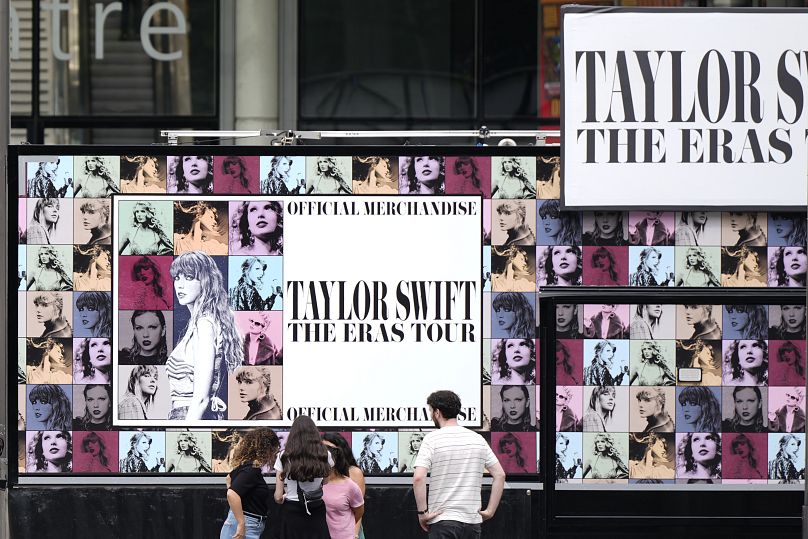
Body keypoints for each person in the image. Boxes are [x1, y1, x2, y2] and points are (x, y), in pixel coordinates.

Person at [413, 390, 505, 535]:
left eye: (431, 411)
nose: (431, 415)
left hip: (442, 521)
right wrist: (490, 511)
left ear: (437, 412)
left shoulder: (432, 439)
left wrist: (422, 513)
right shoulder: (477, 439)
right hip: (472, 523)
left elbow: (419, 477)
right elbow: (500, 475)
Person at [168, 251, 244, 420]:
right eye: (177, 278)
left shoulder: (204, 324)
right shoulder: (199, 322)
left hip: (189, 416)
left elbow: (201, 399)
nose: (180, 285)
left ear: (205, 281)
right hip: (190, 413)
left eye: (188, 277)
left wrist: (187, 430)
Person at [274, 415, 333, 538]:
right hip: (316, 508)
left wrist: (286, 495)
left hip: (292, 510)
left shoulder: (283, 456)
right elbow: (326, 481)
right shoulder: (324, 454)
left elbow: (278, 497)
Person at [221, 427, 281, 539]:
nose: (273, 455)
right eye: (273, 450)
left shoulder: (245, 466)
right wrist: (241, 523)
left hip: (246, 522)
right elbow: (232, 494)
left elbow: (228, 479)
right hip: (246, 524)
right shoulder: (251, 470)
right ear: (266, 449)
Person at [322, 432, 367, 539]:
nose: (326, 453)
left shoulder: (354, 473)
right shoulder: (317, 476)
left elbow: (358, 509)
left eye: (330, 449)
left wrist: (354, 534)